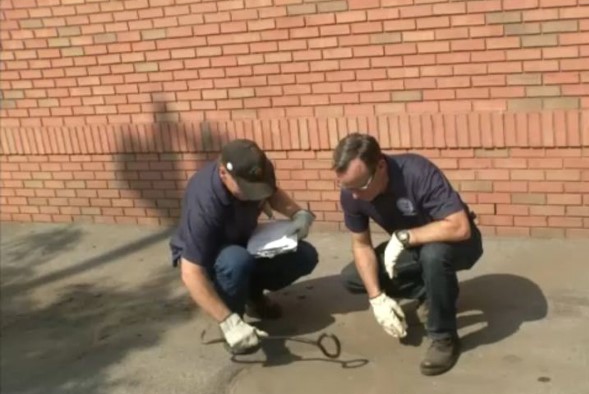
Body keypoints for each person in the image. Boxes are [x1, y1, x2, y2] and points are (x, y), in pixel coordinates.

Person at [332, 133, 483, 376]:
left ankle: (444, 338)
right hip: (412, 248)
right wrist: (376, 298)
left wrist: (405, 237)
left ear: (380, 166)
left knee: (433, 256)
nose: (355, 195)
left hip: (457, 244)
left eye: (360, 186)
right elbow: (361, 245)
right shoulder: (352, 192)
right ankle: (434, 294)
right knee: (353, 277)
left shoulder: (416, 172)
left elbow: (460, 227)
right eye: (346, 186)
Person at [169, 138, 319, 355]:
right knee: (236, 261)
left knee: (304, 255)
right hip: (209, 257)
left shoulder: (258, 169)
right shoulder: (205, 201)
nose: (254, 195)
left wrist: (298, 213)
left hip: (245, 241)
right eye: (248, 189)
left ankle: (253, 297)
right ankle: (232, 322)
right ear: (223, 173)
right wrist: (229, 322)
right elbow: (191, 272)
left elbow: (272, 192)